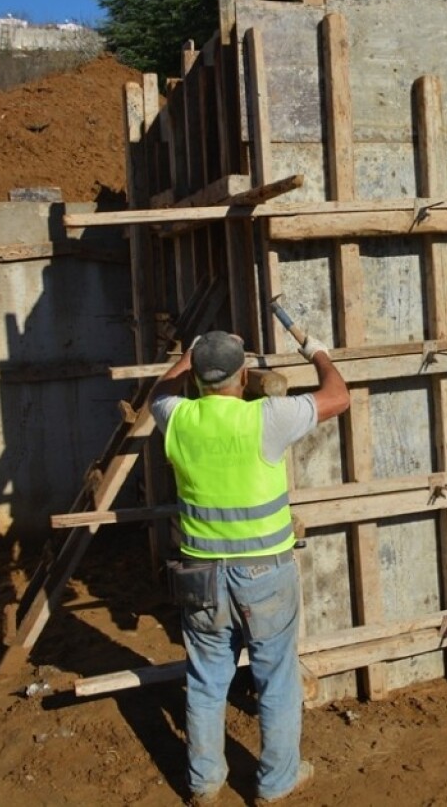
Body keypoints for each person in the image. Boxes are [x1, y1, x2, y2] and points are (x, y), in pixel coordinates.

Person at [150, 328, 349, 804]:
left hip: (201, 577)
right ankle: (276, 782)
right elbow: (337, 397)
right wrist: (316, 350)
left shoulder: (176, 417)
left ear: (196, 377)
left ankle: (204, 782)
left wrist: (189, 353)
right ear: (244, 375)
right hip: (265, 573)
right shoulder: (267, 417)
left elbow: (158, 390)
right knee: (275, 675)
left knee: (205, 677)